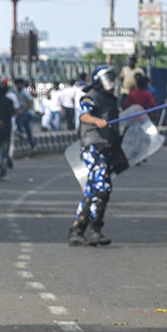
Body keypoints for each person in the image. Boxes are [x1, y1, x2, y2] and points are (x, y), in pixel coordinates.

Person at [68, 66, 119, 247]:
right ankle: (94, 229)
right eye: (108, 78)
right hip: (93, 147)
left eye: (113, 78)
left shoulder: (111, 100)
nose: (112, 83)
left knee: (93, 190)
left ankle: (78, 229)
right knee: (102, 187)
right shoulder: (90, 97)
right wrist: (97, 121)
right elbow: (84, 116)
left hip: (106, 148)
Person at [0, 78, 15, 180]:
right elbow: (12, 113)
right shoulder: (9, 101)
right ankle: (3, 173)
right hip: (6, 129)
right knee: (5, 153)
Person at [12, 78, 37, 151]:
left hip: (27, 112)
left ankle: (20, 132)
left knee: (23, 123)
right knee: (25, 126)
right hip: (20, 111)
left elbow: (30, 102)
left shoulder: (25, 92)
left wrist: (23, 110)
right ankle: (20, 132)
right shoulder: (15, 91)